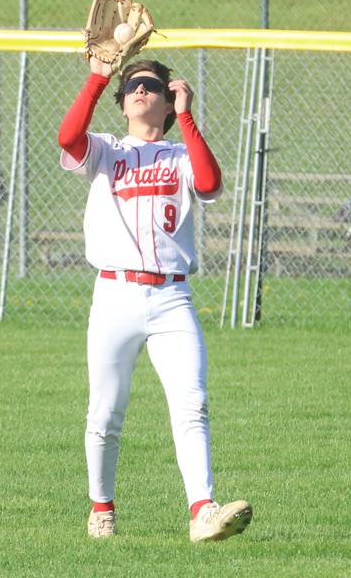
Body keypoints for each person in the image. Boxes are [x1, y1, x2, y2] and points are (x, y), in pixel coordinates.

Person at [57, 56, 253, 543]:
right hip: (115, 293)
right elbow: (67, 138)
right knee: (105, 411)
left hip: (171, 297)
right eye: (133, 87)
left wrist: (187, 117)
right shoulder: (105, 150)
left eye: (152, 86)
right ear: (122, 103)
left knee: (192, 403)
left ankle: (203, 511)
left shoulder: (181, 154)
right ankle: (101, 508)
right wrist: (100, 77)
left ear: (167, 101)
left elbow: (209, 184)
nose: (141, 90)